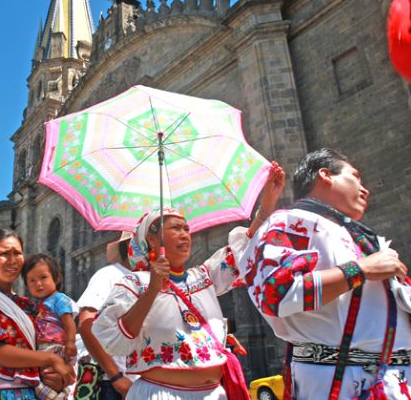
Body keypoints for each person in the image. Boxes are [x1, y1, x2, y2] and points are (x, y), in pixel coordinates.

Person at [241, 148, 411, 399]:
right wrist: (360, 270)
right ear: (325, 175)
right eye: (355, 176)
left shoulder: (369, 241)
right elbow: (275, 294)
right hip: (337, 381)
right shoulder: (289, 223)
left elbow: (406, 297)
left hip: (403, 382)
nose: (364, 188)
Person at [92, 163, 285, 400]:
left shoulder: (202, 277)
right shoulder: (133, 284)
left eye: (187, 228)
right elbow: (113, 338)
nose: (185, 235)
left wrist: (264, 210)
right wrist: (152, 290)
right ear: (152, 240)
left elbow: (240, 253)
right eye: (175, 228)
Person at [0, 228, 75, 400]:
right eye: (4, 254)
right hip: (0, 393)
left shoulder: (29, 305)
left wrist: (57, 378)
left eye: (17, 253)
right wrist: (50, 360)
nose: (12, 260)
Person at [77, 232, 137, 400]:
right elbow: (85, 323)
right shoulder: (109, 275)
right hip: (117, 385)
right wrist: (116, 376)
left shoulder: (155, 279)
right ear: (129, 245)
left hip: (150, 384)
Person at [22, 253, 79, 400]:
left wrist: (71, 342)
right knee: (43, 378)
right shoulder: (37, 305)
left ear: (57, 278)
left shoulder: (59, 299)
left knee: (47, 376)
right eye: (32, 280)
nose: (38, 284)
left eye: (43, 277)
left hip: (55, 347)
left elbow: (68, 322)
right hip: (43, 348)